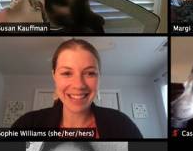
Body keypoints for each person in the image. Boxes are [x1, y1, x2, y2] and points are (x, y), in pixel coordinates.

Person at [11, 38, 142, 139]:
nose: (79, 85)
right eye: (67, 73)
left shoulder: (121, 125)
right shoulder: (27, 125)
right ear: (54, 76)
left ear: (99, 77)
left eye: (90, 73)